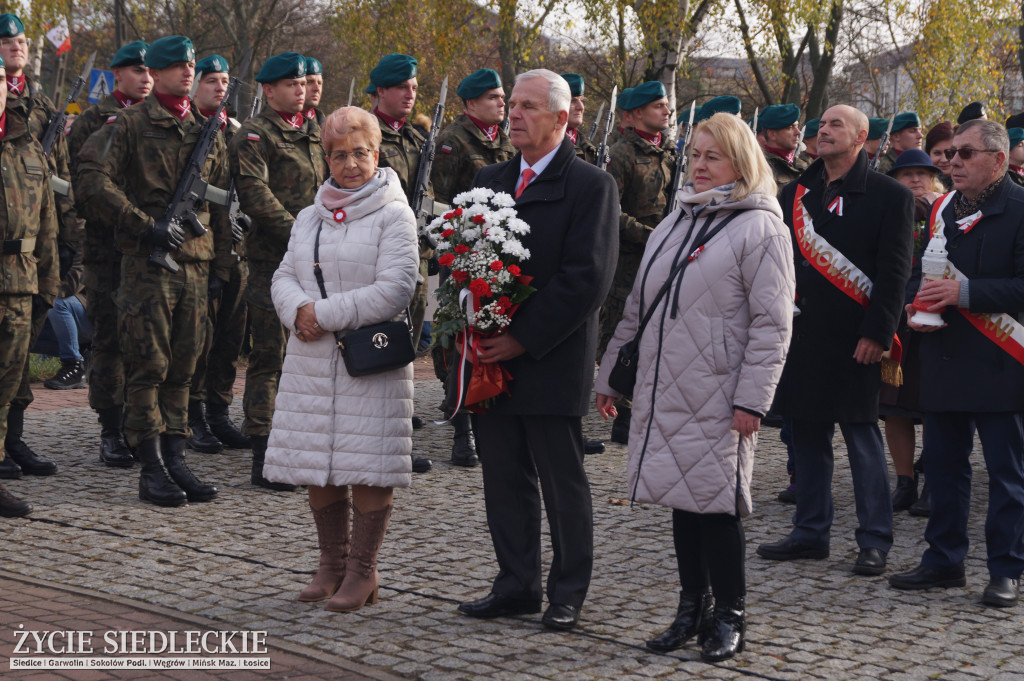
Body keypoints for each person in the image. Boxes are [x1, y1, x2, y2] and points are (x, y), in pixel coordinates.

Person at [595, 112, 794, 660]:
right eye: (696, 155)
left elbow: (772, 324)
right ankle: (691, 610)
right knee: (682, 500)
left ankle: (730, 614)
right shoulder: (674, 221)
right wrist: (611, 375)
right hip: (666, 386)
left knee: (719, 506)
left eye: (714, 156)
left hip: (721, 391)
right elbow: (637, 308)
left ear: (741, 163)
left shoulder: (762, 228)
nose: (700, 166)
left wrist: (753, 398)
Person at [455, 69, 618, 631]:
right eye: (512, 106)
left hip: (551, 357)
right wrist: (474, 324)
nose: (513, 115)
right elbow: (469, 260)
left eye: (526, 106)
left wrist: (520, 337)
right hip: (490, 361)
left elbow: (587, 279)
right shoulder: (490, 177)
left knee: (560, 481)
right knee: (503, 476)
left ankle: (567, 590)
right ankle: (515, 584)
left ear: (561, 117)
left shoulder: (592, 185)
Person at [263, 106, 418, 612]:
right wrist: (297, 312)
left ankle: (363, 571)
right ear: (324, 158)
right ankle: (330, 565)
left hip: (367, 362)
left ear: (377, 154)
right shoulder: (309, 216)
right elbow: (283, 275)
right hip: (311, 359)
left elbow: (395, 288)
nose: (349, 163)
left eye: (359, 153)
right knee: (319, 466)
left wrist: (321, 314)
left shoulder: (396, 214)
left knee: (367, 466)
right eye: (337, 154)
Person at [756, 105, 913, 576]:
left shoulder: (889, 195)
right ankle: (810, 531)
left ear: (862, 136)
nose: (822, 131)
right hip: (803, 335)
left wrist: (878, 332)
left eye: (835, 125)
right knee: (805, 434)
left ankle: (874, 539)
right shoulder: (794, 193)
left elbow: (895, 272)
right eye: (820, 125)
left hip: (855, 338)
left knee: (861, 437)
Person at [76, 35, 231, 507]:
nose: (187, 72)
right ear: (155, 73)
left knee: (185, 368)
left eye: (189, 65)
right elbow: (89, 180)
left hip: (196, 267)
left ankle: (177, 456)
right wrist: (145, 226)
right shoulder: (128, 124)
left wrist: (222, 261)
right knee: (148, 367)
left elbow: (222, 199)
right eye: (174, 66)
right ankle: (152, 466)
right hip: (148, 267)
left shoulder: (206, 128)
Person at [889, 120, 1024, 608]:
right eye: (951, 154)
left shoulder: (1020, 209)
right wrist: (914, 308)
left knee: (1007, 475)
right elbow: (921, 268)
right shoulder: (945, 208)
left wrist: (964, 293)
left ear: (998, 160)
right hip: (944, 355)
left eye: (966, 154)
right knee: (945, 468)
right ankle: (943, 560)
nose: (953, 162)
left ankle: (1006, 569)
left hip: (1000, 362)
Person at [231, 52, 327, 490]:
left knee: (310, 359)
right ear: (269, 90)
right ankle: (263, 453)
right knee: (271, 357)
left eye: (305, 83)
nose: (301, 90)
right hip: (276, 262)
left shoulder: (314, 132)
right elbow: (254, 193)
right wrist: (303, 232)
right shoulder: (256, 134)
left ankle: (301, 445)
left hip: (319, 262)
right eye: (292, 84)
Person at [0, 12, 78, 479]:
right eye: (5, 40)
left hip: (33, 259)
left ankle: (13, 441)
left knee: (20, 356)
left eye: (21, 39)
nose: (15, 45)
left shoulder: (42, 106)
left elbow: (57, 183)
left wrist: (67, 246)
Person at [68, 39, 151, 468]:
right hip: (107, 250)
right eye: (137, 70)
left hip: (148, 250)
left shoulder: (153, 121)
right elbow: (81, 188)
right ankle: (110, 428)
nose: (146, 77)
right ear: (117, 74)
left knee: (148, 341)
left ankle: (143, 426)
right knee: (111, 341)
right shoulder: (93, 122)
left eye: (149, 70)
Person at [429, 67, 516, 467]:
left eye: (503, 96)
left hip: (501, 253)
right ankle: (462, 430)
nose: (502, 102)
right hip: (461, 254)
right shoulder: (452, 140)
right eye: (494, 97)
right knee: (459, 338)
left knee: (495, 332)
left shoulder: (507, 138)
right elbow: (441, 201)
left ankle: (492, 414)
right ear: (471, 104)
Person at [0, 52, 59, 516]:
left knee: (5, 388)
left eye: (1, 79)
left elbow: (47, 221)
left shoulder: (27, 144)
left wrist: (49, 282)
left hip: (19, 284)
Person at [367, 53, 433, 469]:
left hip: (416, 254)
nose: (411, 94)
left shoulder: (415, 138)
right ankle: (374, 437)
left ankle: (397, 439)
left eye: (413, 87)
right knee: (377, 346)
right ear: (381, 92)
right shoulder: (364, 132)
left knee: (406, 348)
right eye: (402, 87)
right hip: (377, 254)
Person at [601, 81, 674, 445]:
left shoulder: (670, 153)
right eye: (658, 105)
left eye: (666, 104)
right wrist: (651, 236)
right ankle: (623, 411)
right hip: (631, 259)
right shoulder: (621, 153)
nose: (667, 110)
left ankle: (648, 404)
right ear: (634, 114)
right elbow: (610, 211)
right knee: (625, 330)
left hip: (668, 255)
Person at [185, 54, 250, 453]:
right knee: (199, 341)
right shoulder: (189, 129)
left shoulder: (238, 130)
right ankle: (192, 417)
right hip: (202, 248)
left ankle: (219, 411)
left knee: (230, 338)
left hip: (236, 249)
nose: (220, 87)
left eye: (224, 80)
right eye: (211, 80)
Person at [882, 149, 942, 512]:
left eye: (923, 173)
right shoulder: (887, 212)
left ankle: (935, 481)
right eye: (907, 174)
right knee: (894, 408)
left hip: (935, 325)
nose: (916, 179)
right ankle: (905, 482)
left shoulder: (948, 212)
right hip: (895, 324)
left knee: (935, 406)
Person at [758, 103, 806, 195]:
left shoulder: (803, 165)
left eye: (797, 126)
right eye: (790, 127)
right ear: (772, 134)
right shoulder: (761, 168)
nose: (798, 132)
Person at [560, 73, 596, 164]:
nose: (581, 107)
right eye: (573, 101)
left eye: (582, 100)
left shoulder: (589, 147)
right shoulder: (545, 144)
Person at [925, 121, 955, 190]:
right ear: (928, 155)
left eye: (949, 153)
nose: (944, 160)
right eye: (937, 153)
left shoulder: (971, 187)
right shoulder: (919, 186)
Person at [303, 57, 325, 129]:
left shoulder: (327, 125)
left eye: (319, 83)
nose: (317, 89)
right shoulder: (285, 121)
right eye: (309, 82)